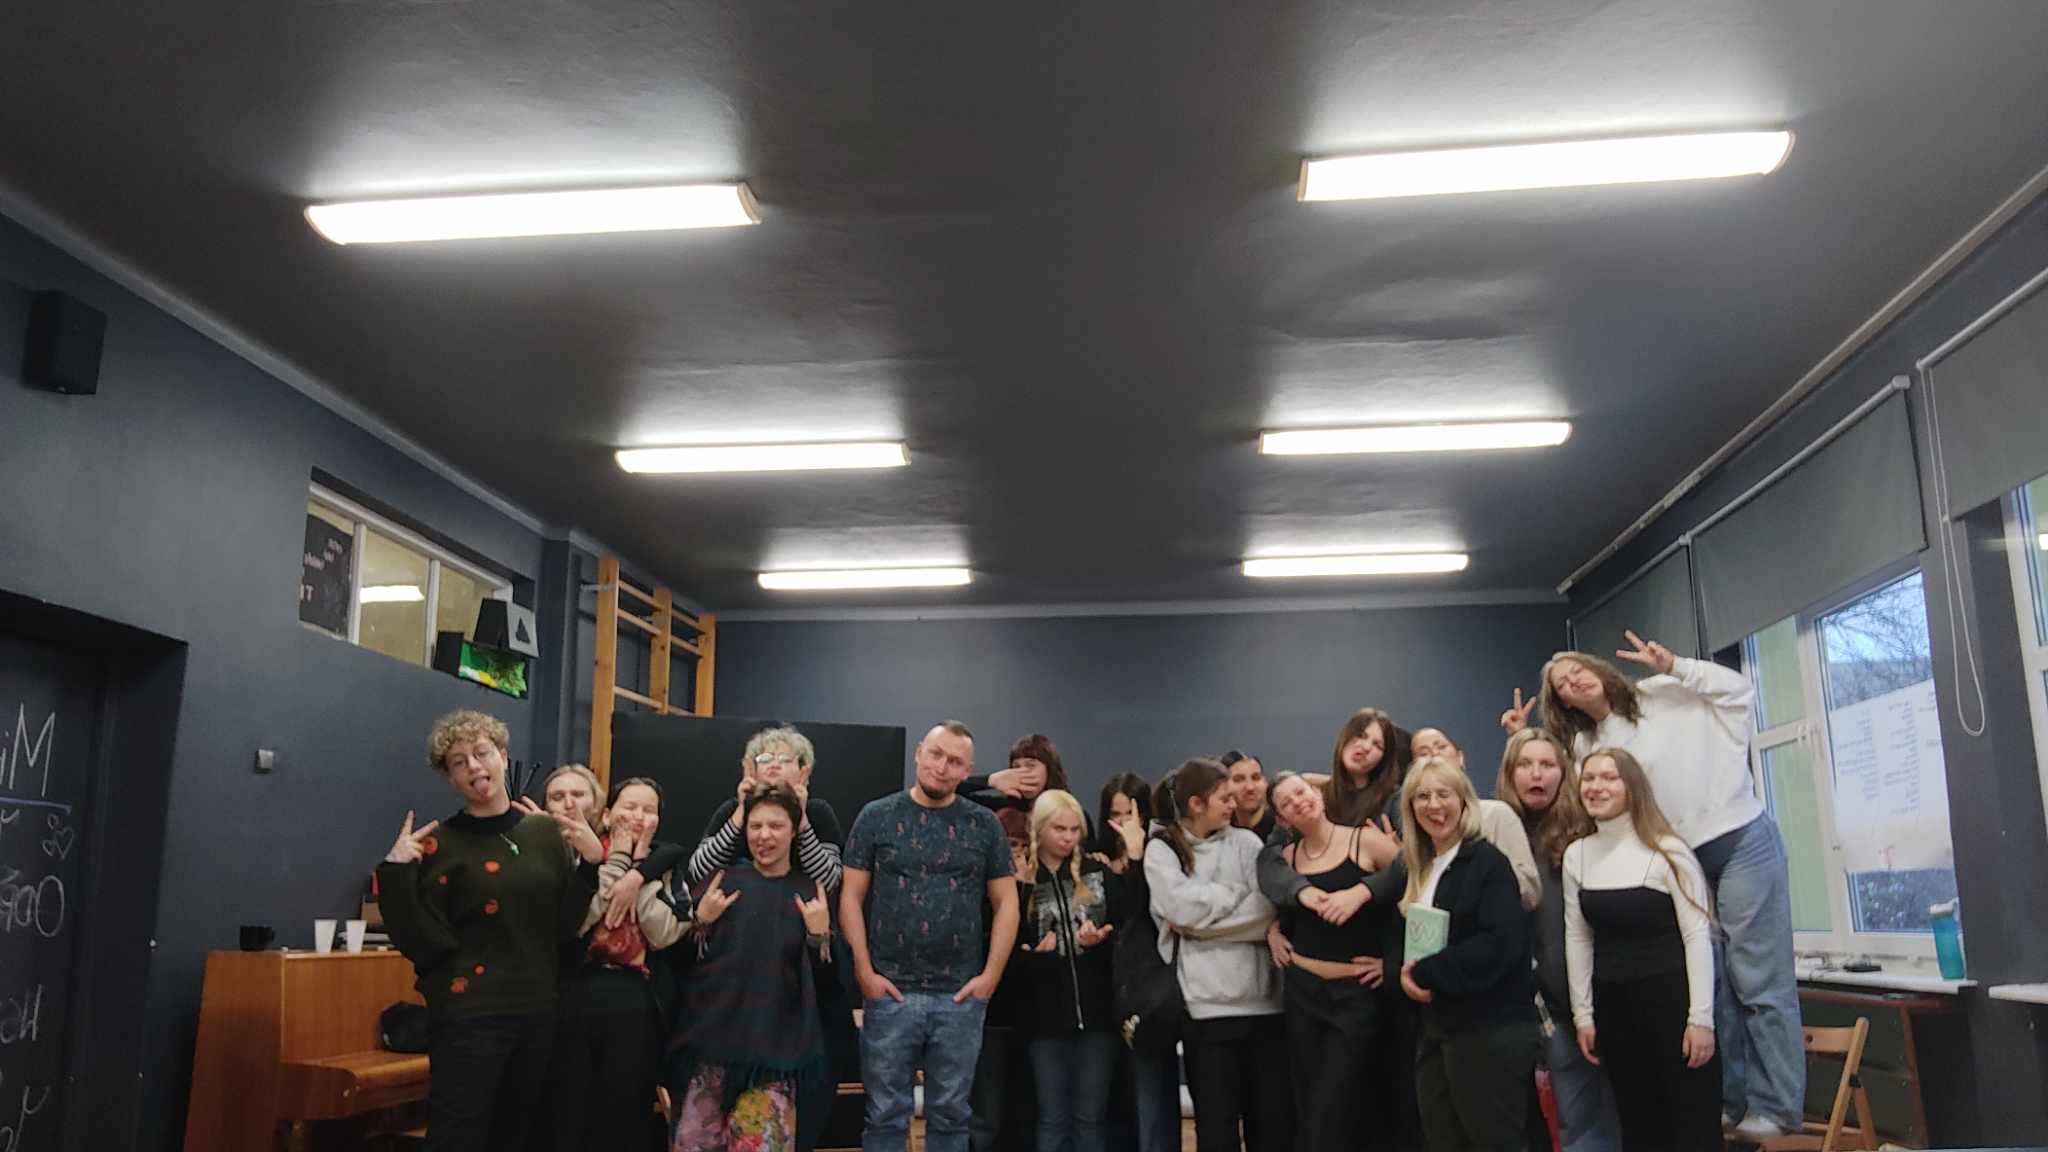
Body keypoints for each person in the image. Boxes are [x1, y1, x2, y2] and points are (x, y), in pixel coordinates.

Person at [1505, 631, 1802, 1141]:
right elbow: (1544, 776)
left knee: (1757, 979)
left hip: (1737, 836)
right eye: (1561, 685)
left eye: (1576, 669)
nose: (1573, 682)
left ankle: (1778, 1106)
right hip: (1681, 856)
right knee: (1714, 984)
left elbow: (1738, 692)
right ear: (1562, 703)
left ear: (1596, 667)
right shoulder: (1587, 746)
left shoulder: (1659, 692)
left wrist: (1678, 666)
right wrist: (1519, 735)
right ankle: (1731, 1101)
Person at [376, 710, 601, 1152]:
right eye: (459, 762)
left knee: (516, 1137)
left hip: (537, 1010)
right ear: (449, 777)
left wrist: (591, 866)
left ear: (502, 755)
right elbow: (419, 939)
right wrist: (395, 871)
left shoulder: (545, 834)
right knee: (457, 1137)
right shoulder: (438, 844)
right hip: (468, 1015)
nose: (474, 767)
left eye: (481, 753)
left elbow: (562, 928)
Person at [840, 722, 1019, 1152]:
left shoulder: (983, 825)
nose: (942, 767)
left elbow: (1008, 904)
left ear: (967, 771)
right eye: (936, 754)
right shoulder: (876, 816)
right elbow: (849, 897)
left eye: (954, 761)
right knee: (884, 1115)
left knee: (952, 1116)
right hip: (889, 992)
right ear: (919, 752)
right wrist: (863, 971)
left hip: (960, 996)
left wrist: (990, 978)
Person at [1565, 748, 1720, 1152]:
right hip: (1614, 1008)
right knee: (1637, 1123)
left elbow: (1697, 936)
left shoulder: (1668, 851)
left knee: (1690, 1124)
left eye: (1609, 777)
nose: (1596, 787)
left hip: (1672, 1007)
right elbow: (1578, 938)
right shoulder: (1576, 855)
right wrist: (1583, 1014)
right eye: (1589, 778)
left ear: (1632, 787)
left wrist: (1701, 1019)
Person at [669, 784, 836, 1152]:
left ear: (793, 831)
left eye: (775, 826)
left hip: (774, 1057)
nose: (764, 836)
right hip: (710, 1048)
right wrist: (700, 921)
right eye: (755, 826)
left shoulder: (810, 892)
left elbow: (825, 990)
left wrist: (818, 937)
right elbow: (678, 964)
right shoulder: (721, 883)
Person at [1146, 758, 1292, 1152]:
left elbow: (1266, 910)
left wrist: (1200, 927)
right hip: (1204, 1013)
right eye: (1224, 798)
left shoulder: (1247, 843)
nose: (1234, 804)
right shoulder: (1162, 849)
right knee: (1216, 1129)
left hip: (1265, 1008)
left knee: (1271, 1128)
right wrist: (1232, 896)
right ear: (1197, 804)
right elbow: (1179, 908)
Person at [1395, 756, 1540, 1152]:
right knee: (1444, 1138)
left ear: (1464, 800)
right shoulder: (1422, 867)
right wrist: (1406, 975)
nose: (1434, 805)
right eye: (1422, 796)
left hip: (1489, 1029)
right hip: (1438, 1027)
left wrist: (1425, 973)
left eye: (1444, 794)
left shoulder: (1487, 862)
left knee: (1494, 1141)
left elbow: (1500, 944)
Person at [541, 770, 689, 1152]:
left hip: (636, 996)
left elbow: (664, 933)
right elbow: (578, 923)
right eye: (629, 807)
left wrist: (640, 876)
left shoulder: (667, 865)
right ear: (607, 814)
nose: (638, 817)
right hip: (576, 989)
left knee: (625, 1110)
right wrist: (618, 861)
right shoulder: (582, 855)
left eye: (648, 810)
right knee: (569, 1106)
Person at [1494, 730, 1618, 1152]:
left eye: (1547, 765)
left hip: (1606, 995)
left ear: (1563, 773)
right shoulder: (1494, 836)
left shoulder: (1587, 831)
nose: (1536, 775)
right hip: (1549, 1010)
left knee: (1629, 1114)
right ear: (1509, 773)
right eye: (1525, 765)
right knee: (1576, 1124)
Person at [1263, 772, 1400, 1152]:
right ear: (1282, 818)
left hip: (1355, 997)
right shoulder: (1288, 858)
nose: (1298, 802)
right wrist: (1273, 932)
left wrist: (1391, 963)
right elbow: (1285, 911)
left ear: (1317, 793)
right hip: (1303, 996)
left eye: (1301, 792)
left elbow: (1414, 885)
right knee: (1309, 1104)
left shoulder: (1364, 840)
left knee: (1334, 1108)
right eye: (1287, 803)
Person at [1013, 790, 1120, 1152]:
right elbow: (1007, 950)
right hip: (1043, 1020)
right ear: (1039, 829)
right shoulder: (1022, 880)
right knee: (1052, 1118)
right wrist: (1036, 957)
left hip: (1097, 1017)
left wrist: (1098, 942)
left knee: (1091, 1119)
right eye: (1059, 829)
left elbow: (1124, 930)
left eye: (1075, 830)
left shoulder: (1097, 873)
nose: (1068, 837)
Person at [1084, 773, 1177, 1152]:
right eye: (1115, 814)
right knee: (1109, 1096)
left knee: (1151, 1090)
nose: (1122, 822)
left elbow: (1142, 910)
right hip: (1102, 986)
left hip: (1148, 990)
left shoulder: (1162, 852)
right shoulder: (1094, 860)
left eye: (1130, 813)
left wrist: (1137, 857)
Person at [687, 726, 843, 891]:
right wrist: (743, 809)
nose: (774, 765)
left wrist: (801, 817)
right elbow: (699, 872)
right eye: (765, 759)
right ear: (752, 771)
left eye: (785, 759)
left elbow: (830, 882)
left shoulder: (818, 812)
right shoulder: (732, 810)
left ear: (803, 772)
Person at [1408, 727, 1544, 912]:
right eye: (1423, 753)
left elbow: (1531, 893)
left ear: (1460, 758)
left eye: (1440, 746)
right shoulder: (1419, 832)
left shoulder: (1496, 815)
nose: (1434, 754)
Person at [1221, 750, 1275, 841]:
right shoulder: (1218, 834)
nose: (1250, 787)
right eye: (1238, 780)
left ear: (1265, 783)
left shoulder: (1284, 829)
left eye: (1256, 778)